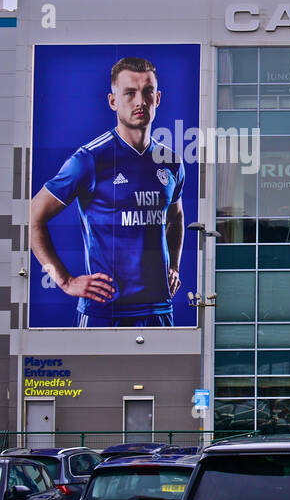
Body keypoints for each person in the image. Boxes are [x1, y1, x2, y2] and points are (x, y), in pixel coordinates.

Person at [29, 56, 185, 327]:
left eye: (147, 92)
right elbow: (33, 217)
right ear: (113, 101)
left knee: (163, 373)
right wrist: (65, 281)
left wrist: (173, 266)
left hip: (159, 308)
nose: (140, 101)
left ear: (157, 98)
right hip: (105, 311)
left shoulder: (170, 160)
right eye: (130, 93)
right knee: (98, 373)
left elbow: (177, 217)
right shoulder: (89, 159)